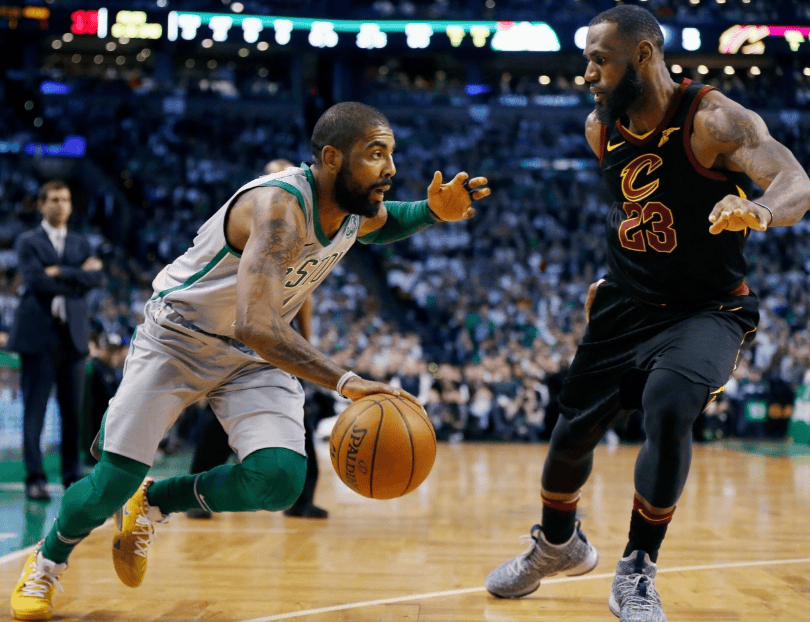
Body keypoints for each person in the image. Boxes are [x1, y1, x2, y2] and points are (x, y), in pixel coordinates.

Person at [10, 101, 490, 621]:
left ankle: (156, 500)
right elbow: (256, 324)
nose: (391, 168)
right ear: (332, 157)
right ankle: (47, 563)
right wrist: (346, 381)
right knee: (111, 483)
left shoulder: (351, 210)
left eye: (391, 154)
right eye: (376, 154)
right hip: (179, 339)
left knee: (279, 478)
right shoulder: (279, 208)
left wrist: (432, 212)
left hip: (249, 357)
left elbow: (384, 221)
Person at [484, 5, 810, 622]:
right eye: (585, 61)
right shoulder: (599, 128)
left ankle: (637, 567)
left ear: (643, 55)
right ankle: (557, 545)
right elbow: (634, 211)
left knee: (668, 404)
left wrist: (761, 211)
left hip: (707, 309)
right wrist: (616, 277)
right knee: (570, 435)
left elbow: (795, 180)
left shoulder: (714, 120)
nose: (587, 73)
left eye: (599, 60)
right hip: (627, 303)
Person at [184, 158, 329, 520]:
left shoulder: (299, 228)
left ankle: (301, 499)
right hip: (240, 329)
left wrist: (307, 343)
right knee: (220, 415)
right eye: (273, 175)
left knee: (297, 414)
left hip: (281, 333)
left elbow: (305, 295)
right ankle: (195, 496)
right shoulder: (250, 220)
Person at [7, 180, 104, 501]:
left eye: (65, 199)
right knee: (34, 412)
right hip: (38, 337)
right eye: (54, 199)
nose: (60, 205)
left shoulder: (80, 242)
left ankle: (71, 476)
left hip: (72, 338)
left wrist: (59, 271)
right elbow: (36, 282)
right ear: (41, 205)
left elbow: (97, 278)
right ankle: (35, 478)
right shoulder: (27, 241)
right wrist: (77, 275)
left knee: (72, 413)